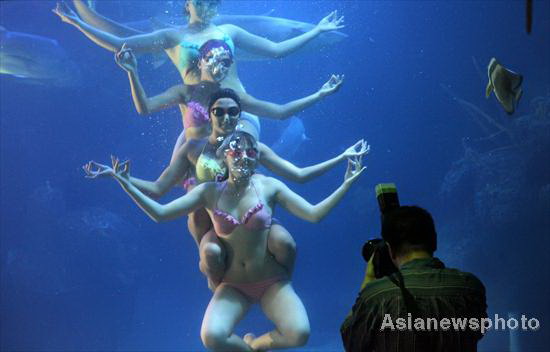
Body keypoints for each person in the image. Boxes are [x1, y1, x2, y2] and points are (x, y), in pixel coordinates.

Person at [83, 130, 366, 351]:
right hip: (233, 286)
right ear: (224, 157)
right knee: (211, 336)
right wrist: (125, 182)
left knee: (299, 334)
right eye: (236, 150)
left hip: (271, 282)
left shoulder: (269, 186)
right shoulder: (207, 191)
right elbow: (160, 214)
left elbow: (314, 214)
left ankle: (256, 345)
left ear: (257, 156)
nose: (244, 156)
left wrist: (346, 183)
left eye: (250, 151)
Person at [87, 88, 368, 288]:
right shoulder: (192, 148)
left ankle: (279, 287)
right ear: (209, 115)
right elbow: (159, 189)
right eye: (218, 112)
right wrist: (120, 177)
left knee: (286, 244)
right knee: (211, 256)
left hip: (249, 215)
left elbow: (300, 175)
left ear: (239, 115)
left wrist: (342, 157)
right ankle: (220, 289)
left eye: (232, 112)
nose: (225, 117)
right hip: (208, 220)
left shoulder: (251, 147)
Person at [114, 39, 343, 159]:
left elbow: (280, 112)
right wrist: (132, 72)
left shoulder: (231, 98)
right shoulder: (184, 92)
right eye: (214, 59)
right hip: (192, 161)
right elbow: (145, 108)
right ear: (200, 61)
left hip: (225, 163)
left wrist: (319, 94)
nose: (220, 66)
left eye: (226, 62)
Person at [340, 206, 488, 352]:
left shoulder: (375, 296)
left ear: (390, 250)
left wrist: (369, 278)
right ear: (434, 241)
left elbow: (352, 341)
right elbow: (478, 331)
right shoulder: (470, 286)